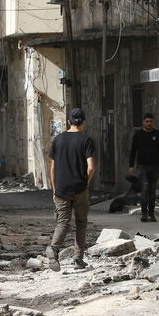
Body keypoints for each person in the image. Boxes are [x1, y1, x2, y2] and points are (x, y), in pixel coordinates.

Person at [46, 108, 96, 271]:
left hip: (61, 189)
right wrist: (86, 182)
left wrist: (54, 189)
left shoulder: (58, 139)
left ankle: (53, 249)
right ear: (83, 122)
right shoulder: (86, 139)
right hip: (79, 188)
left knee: (62, 222)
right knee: (81, 223)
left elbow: (52, 168)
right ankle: (78, 259)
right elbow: (91, 167)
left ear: (68, 122)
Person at [128, 113, 159, 222]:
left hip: (154, 166)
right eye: (147, 121)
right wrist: (131, 165)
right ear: (143, 122)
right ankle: (144, 213)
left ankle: (151, 213)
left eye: (151, 121)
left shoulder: (157, 134)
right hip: (142, 166)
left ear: (153, 122)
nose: (149, 123)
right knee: (144, 188)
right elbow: (133, 151)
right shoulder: (138, 135)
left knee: (152, 190)